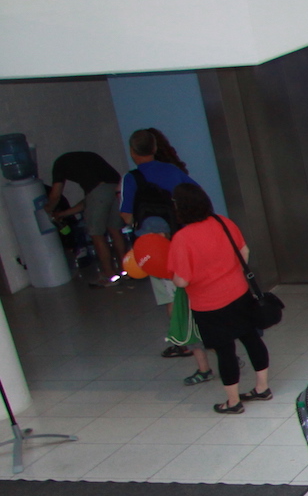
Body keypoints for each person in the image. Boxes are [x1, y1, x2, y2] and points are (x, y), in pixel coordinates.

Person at [168, 184, 268, 413]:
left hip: (209, 304)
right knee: (251, 339)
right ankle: (262, 388)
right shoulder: (223, 222)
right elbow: (244, 252)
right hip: (239, 292)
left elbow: (181, 281)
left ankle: (233, 402)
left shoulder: (182, 239)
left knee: (225, 351)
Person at [121, 129, 210, 373]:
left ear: (132, 151)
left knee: (171, 298)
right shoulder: (173, 172)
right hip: (183, 241)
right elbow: (197, 199)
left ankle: (184, 344)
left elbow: (127, 215)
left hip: (155, 250)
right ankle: (208, 336)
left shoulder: (131, 179)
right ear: (154, 148)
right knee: (195, 291)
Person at [44, 150, 123, 285]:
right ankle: (125, 270)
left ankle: (109, 276)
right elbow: (90, 201)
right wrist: (63, 214)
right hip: (118, 189)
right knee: (115, 231)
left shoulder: (59, 164)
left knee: (97, 235)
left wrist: (48, 210)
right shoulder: (89, 160)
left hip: (100, 192)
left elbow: (55, 195)